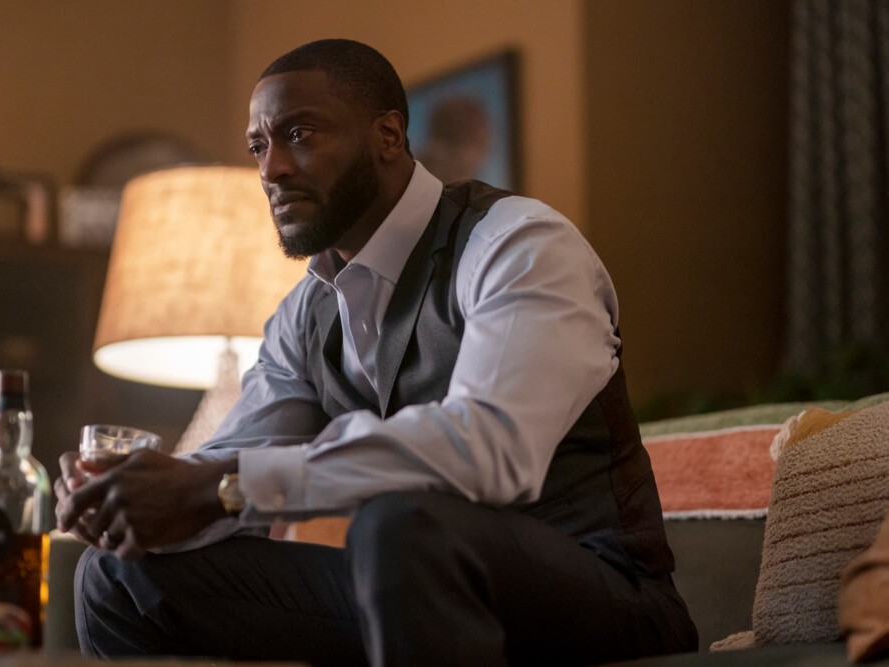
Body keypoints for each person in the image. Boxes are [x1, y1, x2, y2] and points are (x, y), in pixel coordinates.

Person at [56, 38, 698, 667]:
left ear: (388, 136)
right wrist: (133, 497)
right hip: (410, 587)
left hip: (604, 597)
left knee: (404, 526)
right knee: (116, 576)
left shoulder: (519, 244)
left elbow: (493, 448)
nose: (271, 170)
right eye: (259, 146)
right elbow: (233, 460)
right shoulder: (305, 311)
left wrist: (221, 487)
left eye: (299, 135)